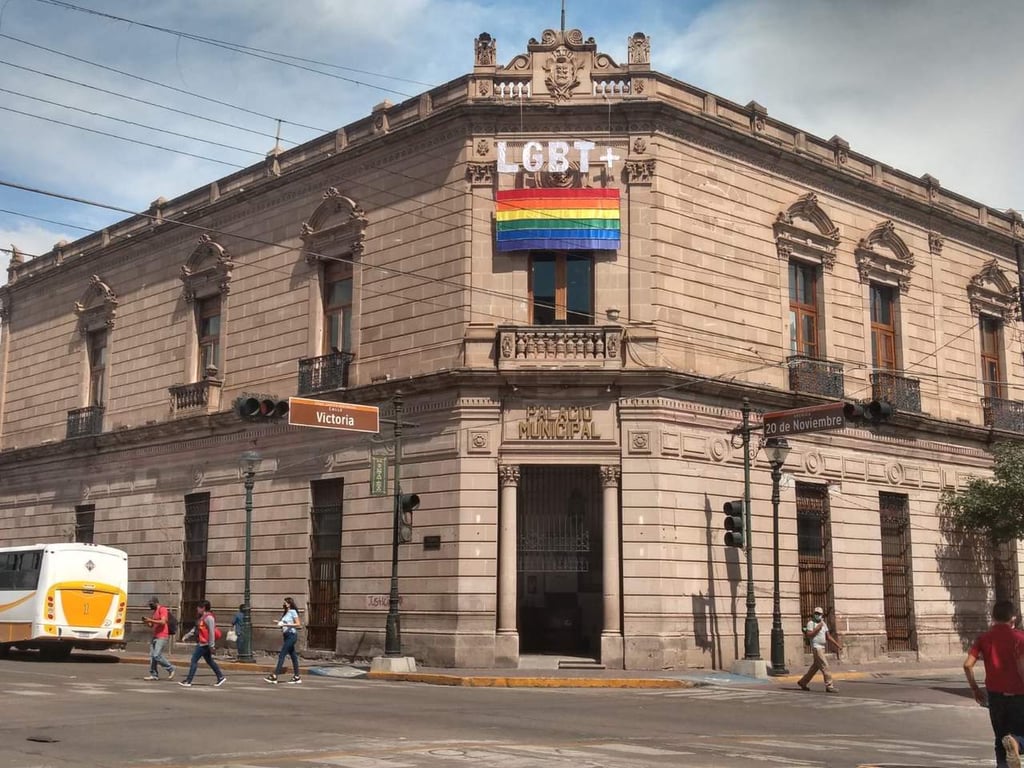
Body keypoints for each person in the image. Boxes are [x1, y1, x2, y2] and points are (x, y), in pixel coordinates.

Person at [964, 600, 1024, 768]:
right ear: (1013, 618)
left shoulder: (984, 639)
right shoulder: (1020, 638)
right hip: (1019, 695)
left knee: (1000, 739)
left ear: (993, 617)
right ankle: (1017, 744)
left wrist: (975, 689)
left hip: (995, 696)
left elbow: (967, 664)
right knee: (1018, 736)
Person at [179, 600, 226, 688]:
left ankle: (188, 681)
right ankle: (220, 677)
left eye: (199, 607)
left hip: (204, 644)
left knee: (194, 660)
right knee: (209, 661)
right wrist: (186, 636)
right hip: (203, 643)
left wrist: (212, 645)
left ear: (203, 608)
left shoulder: (209, 618)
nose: (197, 609)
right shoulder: (202, 618)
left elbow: (211, 632)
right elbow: (196, 629)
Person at [797, 605, 841, 693]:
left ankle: (803, 682)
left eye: (819, 614)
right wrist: (817, 628)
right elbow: (809, 634)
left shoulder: (823, 624)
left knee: (815, 667)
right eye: (816, 613)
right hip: (817, 647)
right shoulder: (811, 623)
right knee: (825, 666)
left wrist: (837, 645)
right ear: (814, 614)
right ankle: (829, 686)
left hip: (822, 647)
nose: (817, 615)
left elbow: (828, 636)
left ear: (822, 615)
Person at [264, 596, 302, 685]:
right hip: (286, 635)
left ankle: (274, 676)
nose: (284, 604)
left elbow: (298, 624)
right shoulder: (286, 613)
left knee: (282, 655)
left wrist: (287, 624)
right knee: (293, 656)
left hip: (291, 636)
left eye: (285, 602)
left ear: (289, 603)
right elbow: (284, 623)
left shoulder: (293, 612)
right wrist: (279, 622)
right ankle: (297, 676)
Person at [142, 596, 175, 680]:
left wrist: (151, 620)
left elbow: (163, 622)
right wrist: (147, 622)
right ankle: (154, 674)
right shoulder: (155, 612)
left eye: (151, 604)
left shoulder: (162, 609)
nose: (150, 606)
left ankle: (170, 668)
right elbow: (152, 625)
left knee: (156, 655)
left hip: (162, 635)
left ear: (156, 603)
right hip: (155, 635)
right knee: (152, 656)